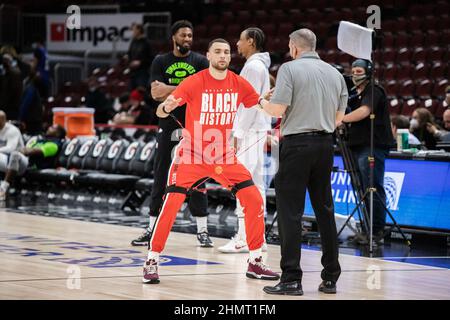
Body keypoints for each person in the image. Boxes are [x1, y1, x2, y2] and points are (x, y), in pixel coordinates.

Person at [142, 38, 279, 284]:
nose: (223, 56)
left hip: (222, 154)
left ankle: (255, 261)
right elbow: (162, 111)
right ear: (208, 55)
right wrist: (166, 107)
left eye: (226, 52)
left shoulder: (238, 83)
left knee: (254, 198)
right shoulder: (194, 81)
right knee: (171, 204)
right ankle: (152, 260)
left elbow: (260, 105)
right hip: (191, 154)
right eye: (218, 51)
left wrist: (271, 105)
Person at [257, 29, 347, 296]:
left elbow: (277, 110)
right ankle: (330, 278)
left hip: (297, 145)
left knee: (290, 214)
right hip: (325, 145)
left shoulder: (289, 68)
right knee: (325, 211)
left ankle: (291, 279)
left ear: (294, 47)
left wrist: (261, 100)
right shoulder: (335, 73)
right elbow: (339, 118)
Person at [131, 20, 211, 247]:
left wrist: (171, 89)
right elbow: (156, 94)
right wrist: (189, 86)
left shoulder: (201, 61)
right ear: (173, 37)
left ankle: (203, 231)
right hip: (167, 122)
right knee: (161, 173)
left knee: (197, 175)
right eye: (183, 35)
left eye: (190, 36)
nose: (187, 39)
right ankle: (151, 228)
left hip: (195, 125)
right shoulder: (160, 61)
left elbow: (204, 90)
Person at [218, 27, 271, 254]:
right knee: (256, 186)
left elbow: (248, 105)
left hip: (249, 131)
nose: (236, 45)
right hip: (257, 130)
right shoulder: (260, 65)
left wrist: (237, 134)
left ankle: (243, 237)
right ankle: (258, 238)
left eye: (240, 40)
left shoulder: (252, 66)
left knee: (242, 184)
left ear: (250, 41)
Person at [341, 58, 394, 245]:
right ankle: (367, 228)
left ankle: (377, 230)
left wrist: (341, 119)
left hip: (372, 146)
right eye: (353, 70)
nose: (355, 74)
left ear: (368, 71)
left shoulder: (374, 90)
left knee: (372, 187)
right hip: (356, 145)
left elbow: (364, 111)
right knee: (362, 189)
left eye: (359, 70)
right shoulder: (354, 94)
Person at [0, 120, 65, 200]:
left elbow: (29, 152)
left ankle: (3, 189)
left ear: (57, 133)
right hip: (18, 162)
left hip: (29, 165)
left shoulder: (53, 145)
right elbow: (25, 149)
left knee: (15, 155)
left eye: (52, 128)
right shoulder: (41, 140)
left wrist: (21, 149)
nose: (48, 128)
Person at [0, 111, 25, 200]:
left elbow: (11, 149)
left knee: (15, 154)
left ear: (3, 120)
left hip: (20, 160)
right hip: (5, 159)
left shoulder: (12, 130)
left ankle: (3, 188)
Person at [127, 23, 152, 90]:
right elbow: (129, 54)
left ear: (139, 30)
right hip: (133, 72)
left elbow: (150, 58)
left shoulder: (146, 43)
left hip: (142, 72)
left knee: (140, 91)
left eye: (134, 30)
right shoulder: (133, 42)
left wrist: (140, 62)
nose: (132, 32)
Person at [18, 70, 43, 135]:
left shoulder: (32, 87)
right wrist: (21, 119)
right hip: (32, 120)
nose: (39, 75)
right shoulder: (30, 88)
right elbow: (25, 104)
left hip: (33, 119)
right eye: (37, 74)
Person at [0, 53, 23, 120]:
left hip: (11, 108)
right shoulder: (8, 73)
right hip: (10, 107)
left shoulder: (13, 74)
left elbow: (7, 94)